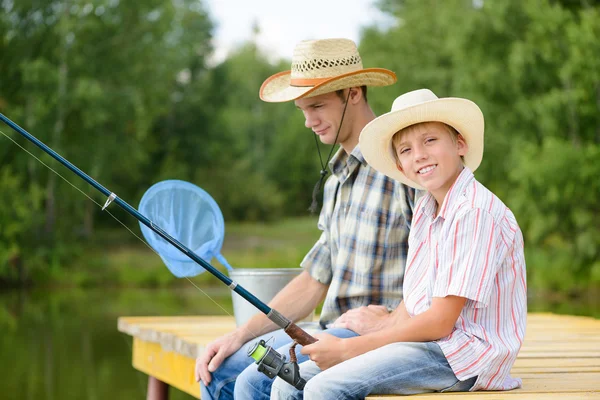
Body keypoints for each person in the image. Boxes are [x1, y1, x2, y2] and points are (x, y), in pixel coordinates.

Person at [194, 38, 418, 400]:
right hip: (327, 327)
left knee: (256, 380)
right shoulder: (337, 181)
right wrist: (239, 335)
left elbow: (440, 265)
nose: (308, 121)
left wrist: (391, 322)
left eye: (317, 106)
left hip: (376, 336)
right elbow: (315, 279)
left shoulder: (404, 165)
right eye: (301, 109)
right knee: (217, 371)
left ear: (354, 92)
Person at [270, 88, 528, 399]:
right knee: (288, 380)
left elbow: (440, 322)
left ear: (460, 143)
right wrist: (378, 329)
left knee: (326, 387)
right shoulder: (427, 207)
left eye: (430, 140)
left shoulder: (473, 211)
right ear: (401, 166)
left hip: (464, 356)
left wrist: (349, 348)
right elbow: (418, 297)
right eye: (405, 150)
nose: (419, 154)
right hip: (429, 345)